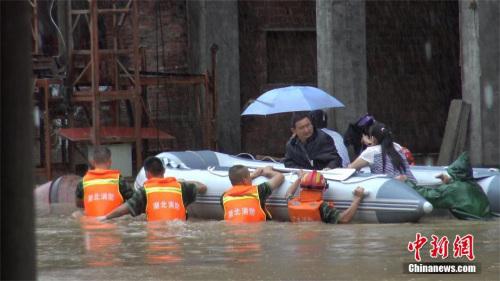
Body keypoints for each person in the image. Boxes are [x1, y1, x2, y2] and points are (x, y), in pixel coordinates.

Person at [100, 156, 207, 221]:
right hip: (179, 232)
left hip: (156, 237)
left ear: (147, 173)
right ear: (164, 171)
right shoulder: (181, 187)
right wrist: (183, 181)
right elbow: (202, 187)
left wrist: (105, 217)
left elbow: (125, 209)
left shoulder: (144, 191)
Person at [409, 152, 491, 220]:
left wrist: (406, 182)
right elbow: (460, 190)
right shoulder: (475, 185)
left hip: (472, 223)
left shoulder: (453, 189)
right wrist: (449, 181)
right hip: (486, 219)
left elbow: (428, 196)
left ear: (455, 172)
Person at [285, 170, 365, 223]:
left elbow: (288, 193)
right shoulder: (322, 207)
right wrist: (357, 198)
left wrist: (299, 178)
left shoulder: (293, 202)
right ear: (323, 188)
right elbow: (344, 219)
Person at [75, 146, 134, 217]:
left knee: (76, 214)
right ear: (110, 162)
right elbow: (134, 201)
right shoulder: (119, 180)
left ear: (93, 162)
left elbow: (78, 204)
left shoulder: (83, 181)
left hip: (91, 223)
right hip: (114, 222)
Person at [348, 122, 416, 182]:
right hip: (410, 187)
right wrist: (370, 143)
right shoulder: (397, 146)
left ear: (373, 138)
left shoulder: (371, 152)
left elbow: (350, 169)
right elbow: (382, 146)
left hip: (388, 190)